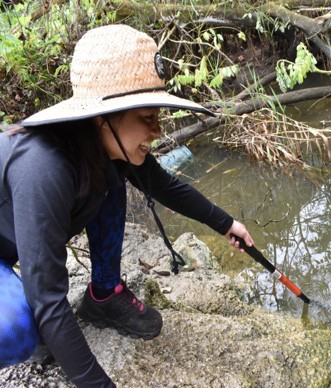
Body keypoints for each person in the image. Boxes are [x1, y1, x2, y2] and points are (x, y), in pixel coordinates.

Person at [0, 24, 254, 387]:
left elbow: (164, 186)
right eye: (148, 118)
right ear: (104, 118)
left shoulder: (101, 146)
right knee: (16, 328)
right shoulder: (43, 167)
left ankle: (104, 295)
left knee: (114, 180)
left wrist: (226, 223)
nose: (158, 131)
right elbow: (49, 299)